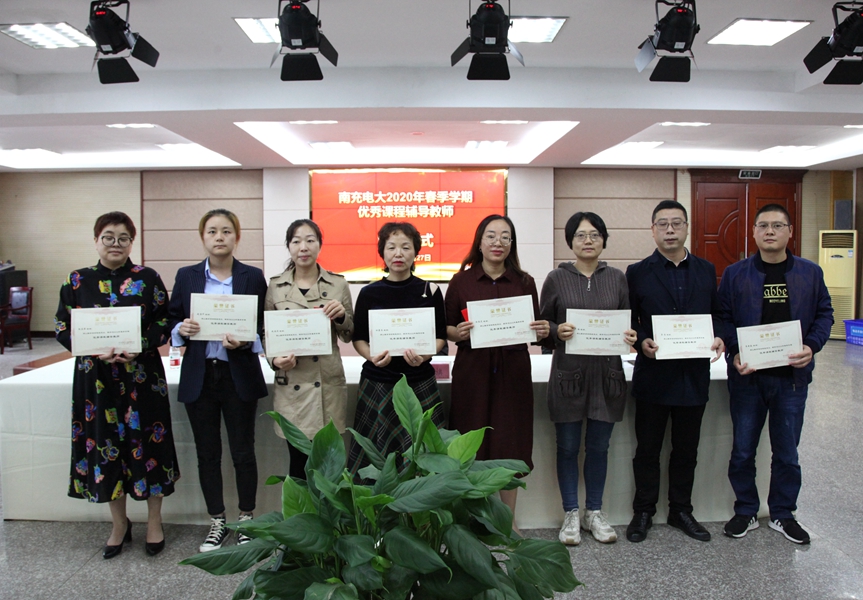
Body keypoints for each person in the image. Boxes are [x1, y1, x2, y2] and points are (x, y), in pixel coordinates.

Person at [54, 211, 179, 559]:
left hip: (141, 376)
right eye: (108, 237)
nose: (116, 244)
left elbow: (165, 321)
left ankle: (154, 521)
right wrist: (92, 348)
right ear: (96, 240)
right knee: (104, 445)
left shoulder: (148, 278)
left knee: (149, 445)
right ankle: (119, 524)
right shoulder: (77, 280)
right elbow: (62, 326)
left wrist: (139, 344)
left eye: (123, 238)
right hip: (96, 380)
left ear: (131, 242)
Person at [718, 203, 833, 545]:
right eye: (763, 226)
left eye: (778, 225)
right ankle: (746, 510)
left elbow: (825, 313)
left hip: (791, 380)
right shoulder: (736, 274)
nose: (770, 231)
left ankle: (783, 513)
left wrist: (812, 346)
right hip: (748, 378)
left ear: (790, 232)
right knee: (743, 450)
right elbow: (722, 317)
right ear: (753, 232)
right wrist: (735, 349)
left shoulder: (810, 273)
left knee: (787, 453)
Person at [167, 209, 268, 553]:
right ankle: (217, 521)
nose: (219, 237)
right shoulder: (187, 276)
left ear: (237, 237)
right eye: (212, 231)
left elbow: (263, 325)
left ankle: (246, 518)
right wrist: (181, 329)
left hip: (238, 374)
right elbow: (171, 319)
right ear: (203, 237)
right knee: (207, 453)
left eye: (226, 231)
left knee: (243, 451)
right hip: (200, 375)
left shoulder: (252, 276)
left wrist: (247, 341)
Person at [625, 200, 724, 543]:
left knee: (686, 449)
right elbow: (630, 320)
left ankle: (681, 510)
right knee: (647, 449)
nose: (670, 230)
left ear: (686, 228)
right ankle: (643, 511)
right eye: (663, 224)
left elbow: (717, 314)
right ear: (653, 230)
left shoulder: (706, 269)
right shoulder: (637, 272)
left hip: (693, 376)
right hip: (654, 375)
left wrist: (719, 336)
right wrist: (642, 341)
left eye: (676, 223)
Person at [445, 214, 549, 530]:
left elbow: (535, 328)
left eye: (505, 237)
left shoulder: (524, 282)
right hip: (472, 374)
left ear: (511, 244)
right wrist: (458, 332)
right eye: (491, 236)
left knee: (510, 441)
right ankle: (471, 520)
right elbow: (445, 327)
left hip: (512, 373)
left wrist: (542, 330)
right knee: (469, 441)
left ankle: (507, 521)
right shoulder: (460, 282)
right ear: (479, 242)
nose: (498, 242)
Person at [540, 212, 637, 545]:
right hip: (568, 375)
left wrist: (630, 335)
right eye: (580, 235)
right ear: (570, 241)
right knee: (567, 447)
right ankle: (570, 512)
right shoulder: (556, 278)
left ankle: (594, 511)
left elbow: (626, 322)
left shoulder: (617, 278)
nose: (588, 241)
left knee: (599, 447)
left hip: (607, 376)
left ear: (604, 240)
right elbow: (542, 326)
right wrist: (557, 330)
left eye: (595, 235)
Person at [347, 222, 447, 477]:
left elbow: (440, 337)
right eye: (391, 247)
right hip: (378, 382)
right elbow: (359, 339)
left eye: (405, 247)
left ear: (416, 252)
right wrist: (371, 356)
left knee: (423, 455)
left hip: (418, 381)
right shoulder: (369, 293)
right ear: (382, 252)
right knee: (376, 458)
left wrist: (425, 355)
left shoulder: (430, 291)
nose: (398, 253)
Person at [265, 219, 353, 479]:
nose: (303, 247)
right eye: (296, 241)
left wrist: (341, 316)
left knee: (328, 464)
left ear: (319, 245)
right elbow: (267, 333)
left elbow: (349, 334)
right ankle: (301, 506)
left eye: (310, 240)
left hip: (326, 383)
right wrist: (275, 360)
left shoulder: (338, 284)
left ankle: (326, 507)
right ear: (289, 247)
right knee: (298, 462)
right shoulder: (275, 286)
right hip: (293, 382)